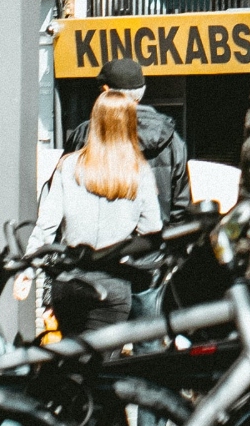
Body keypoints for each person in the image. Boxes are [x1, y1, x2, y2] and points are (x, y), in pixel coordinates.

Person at [63, 59, 190, 351]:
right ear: (142, 91)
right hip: (148, 264)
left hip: (97, 264)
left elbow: (64, 202)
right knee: (148, 354)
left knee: (92, 353)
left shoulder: (85, 135)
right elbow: (181, 207)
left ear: (106, 91)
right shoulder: (172, 140)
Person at [32, 90, 163, 336]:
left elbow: (46, 226)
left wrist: (27, 271)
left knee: (70, 357)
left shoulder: (68, 166)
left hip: (69, 281)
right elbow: (151, 230)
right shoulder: (139, 172)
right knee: (101, 367)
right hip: (112, 282)